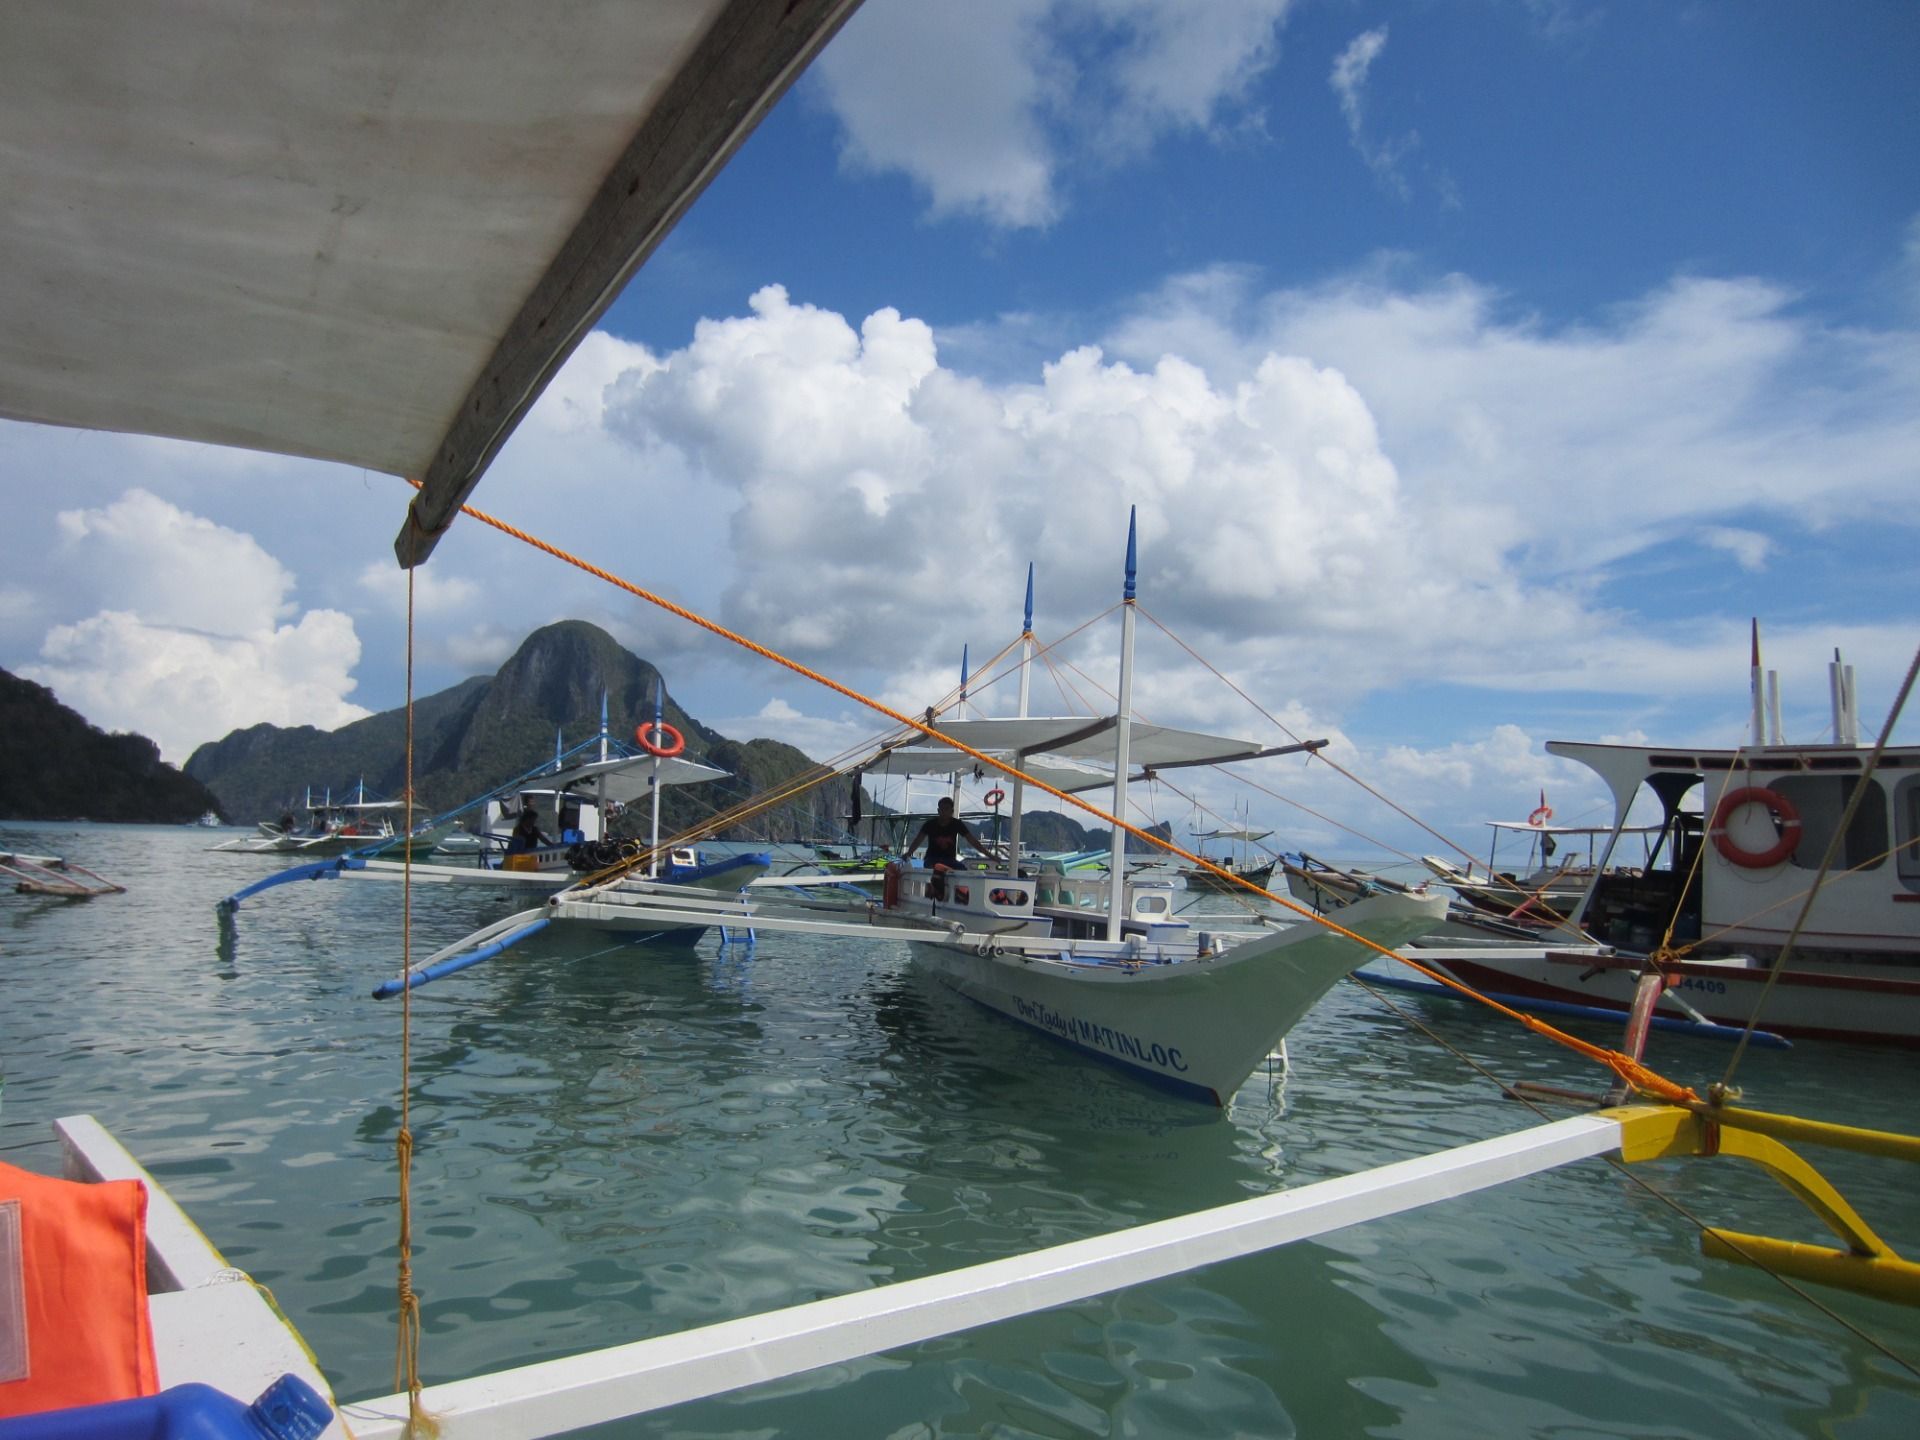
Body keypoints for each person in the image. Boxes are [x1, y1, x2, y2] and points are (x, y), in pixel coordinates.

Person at [901, 798, 982, 877]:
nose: (944, 812)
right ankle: (931, 888)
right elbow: (918, 840)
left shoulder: (957, 824)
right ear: (938, 811)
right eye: (941, 809)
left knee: (963, 871)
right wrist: (909, 853)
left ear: (952, 811)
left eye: (946, 809)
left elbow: (972, 840)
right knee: (935, 872)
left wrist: (990, 856)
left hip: (950, 860)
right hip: (932, 859)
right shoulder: (930, 824)